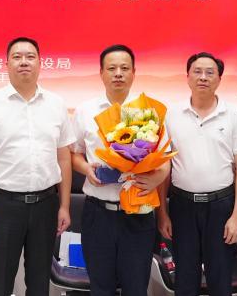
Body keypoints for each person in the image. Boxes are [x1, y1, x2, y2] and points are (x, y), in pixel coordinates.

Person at [0, 37, 73, 296]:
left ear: (40, 62)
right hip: (4, 206)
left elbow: (64, 158)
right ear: (6, 64)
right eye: (17, 56)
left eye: (30, 56)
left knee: (39, 282)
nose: (24, 62)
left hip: (46, 205)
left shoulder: (56, 104)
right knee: (0, 281)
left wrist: (64, 205)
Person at [70, 44, 167, 295]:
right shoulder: (85, 111)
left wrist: (156, 179)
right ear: (101, 73)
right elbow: (73, 154)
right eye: (111, 68)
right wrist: (86, 168)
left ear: (134, 73)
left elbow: (164, 160)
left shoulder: (150, 112)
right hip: (98, 213)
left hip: (138, 212)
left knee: (136, 287)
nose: (118, 74)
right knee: (100, 287)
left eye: (124, 68)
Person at [164, 52, 237, 296]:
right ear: (187, 77)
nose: (203, 77)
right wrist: (162, 213)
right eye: (197, 71)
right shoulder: (171, 115)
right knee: (185, 279)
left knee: (220, 278)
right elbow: (164, 167)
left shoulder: (234, 115)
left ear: (219, 79)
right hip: (182, 205)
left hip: (221, 206)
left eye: (210, 72)